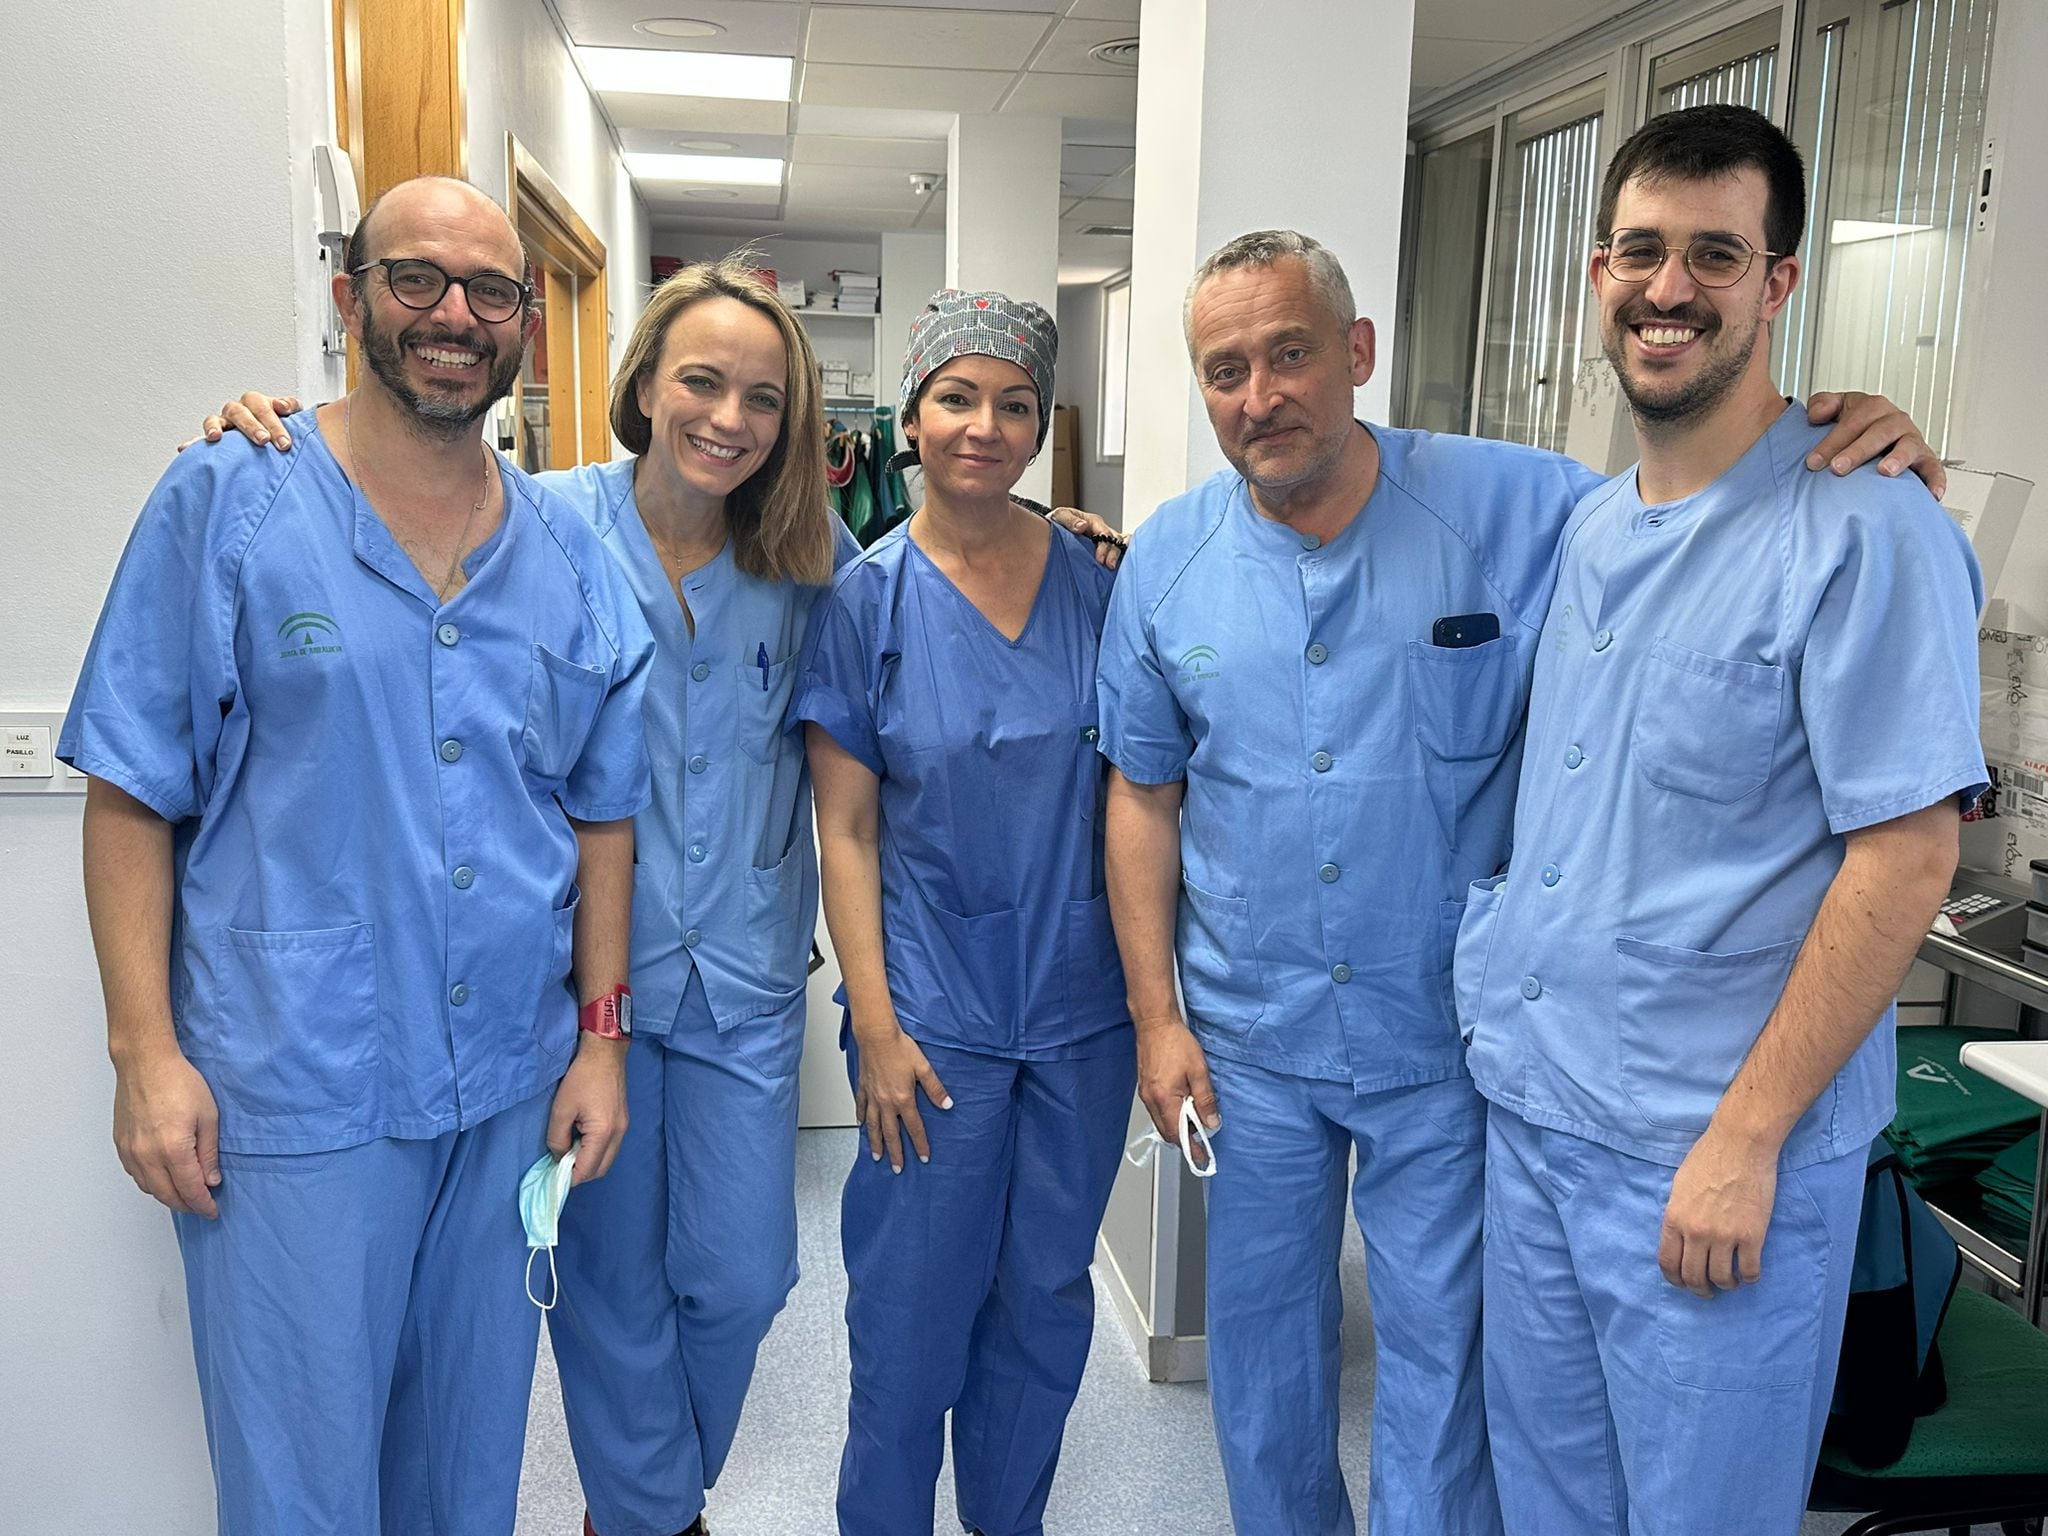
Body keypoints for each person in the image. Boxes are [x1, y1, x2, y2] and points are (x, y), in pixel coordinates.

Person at [196, 259, 1123, 1536]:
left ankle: (640, 1495)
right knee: (607, 1276)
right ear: (642, 385)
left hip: (740, 978)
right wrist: (280, 439)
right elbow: (395, 483)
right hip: (583, 989)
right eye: (701, 381)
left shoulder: (814, 564)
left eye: (760, 396)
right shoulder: (535, 524)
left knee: (745, 1279)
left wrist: (1070, 526)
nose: (728, 418)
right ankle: (647, 1517)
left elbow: (950, 578)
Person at [1095, 226, 1946, 1535]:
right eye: (1223, 369)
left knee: (1445, 1358)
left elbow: (1699, 486)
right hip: (1245, 1040)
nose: (1258, 395)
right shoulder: (1165, 561)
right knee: (1262, 1345)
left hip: (1446, 1036)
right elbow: (1142, 798)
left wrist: (1849, 442)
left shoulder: (1527, 509)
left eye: (1289, 355)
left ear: (1357, 353)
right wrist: (1157, 1017)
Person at [62, 175, 653, 1533]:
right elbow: (131, 797)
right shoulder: (230, 502)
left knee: (464, 1474)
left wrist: (600, 1039)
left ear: (522, 327)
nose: (454, 313)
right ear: (350, 296)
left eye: (491, 290)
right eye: (416, 279)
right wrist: (144, 1055)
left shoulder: (567, 549)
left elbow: (603, 815)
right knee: (300, 1487)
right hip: (291, 1093)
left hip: (507, 1080)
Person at [1456, 104, 1985, 1535]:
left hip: (1710, 1153)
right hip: (1546, 1115)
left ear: (1779, 283)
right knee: (1550, 1507)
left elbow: (1911, 848)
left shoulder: (1871, 528)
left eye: (1715, 254)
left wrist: (1748, 1139)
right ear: (1597, 270)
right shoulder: (1589, 525)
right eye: (1641, 250)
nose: (1669, 287)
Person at [794, 289, 1135, 1536]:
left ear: (1041, 424)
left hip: (1079, 1016)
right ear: (909, 418)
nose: (982, 426)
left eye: (1013, 405)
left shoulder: (1102, 583)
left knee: (1042, 1310)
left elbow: (1141, 794)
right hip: (928, 1027)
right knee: (908, 1325)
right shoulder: (865, 600)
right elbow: (845, 828)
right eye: (955, 398)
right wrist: (875, 1029)